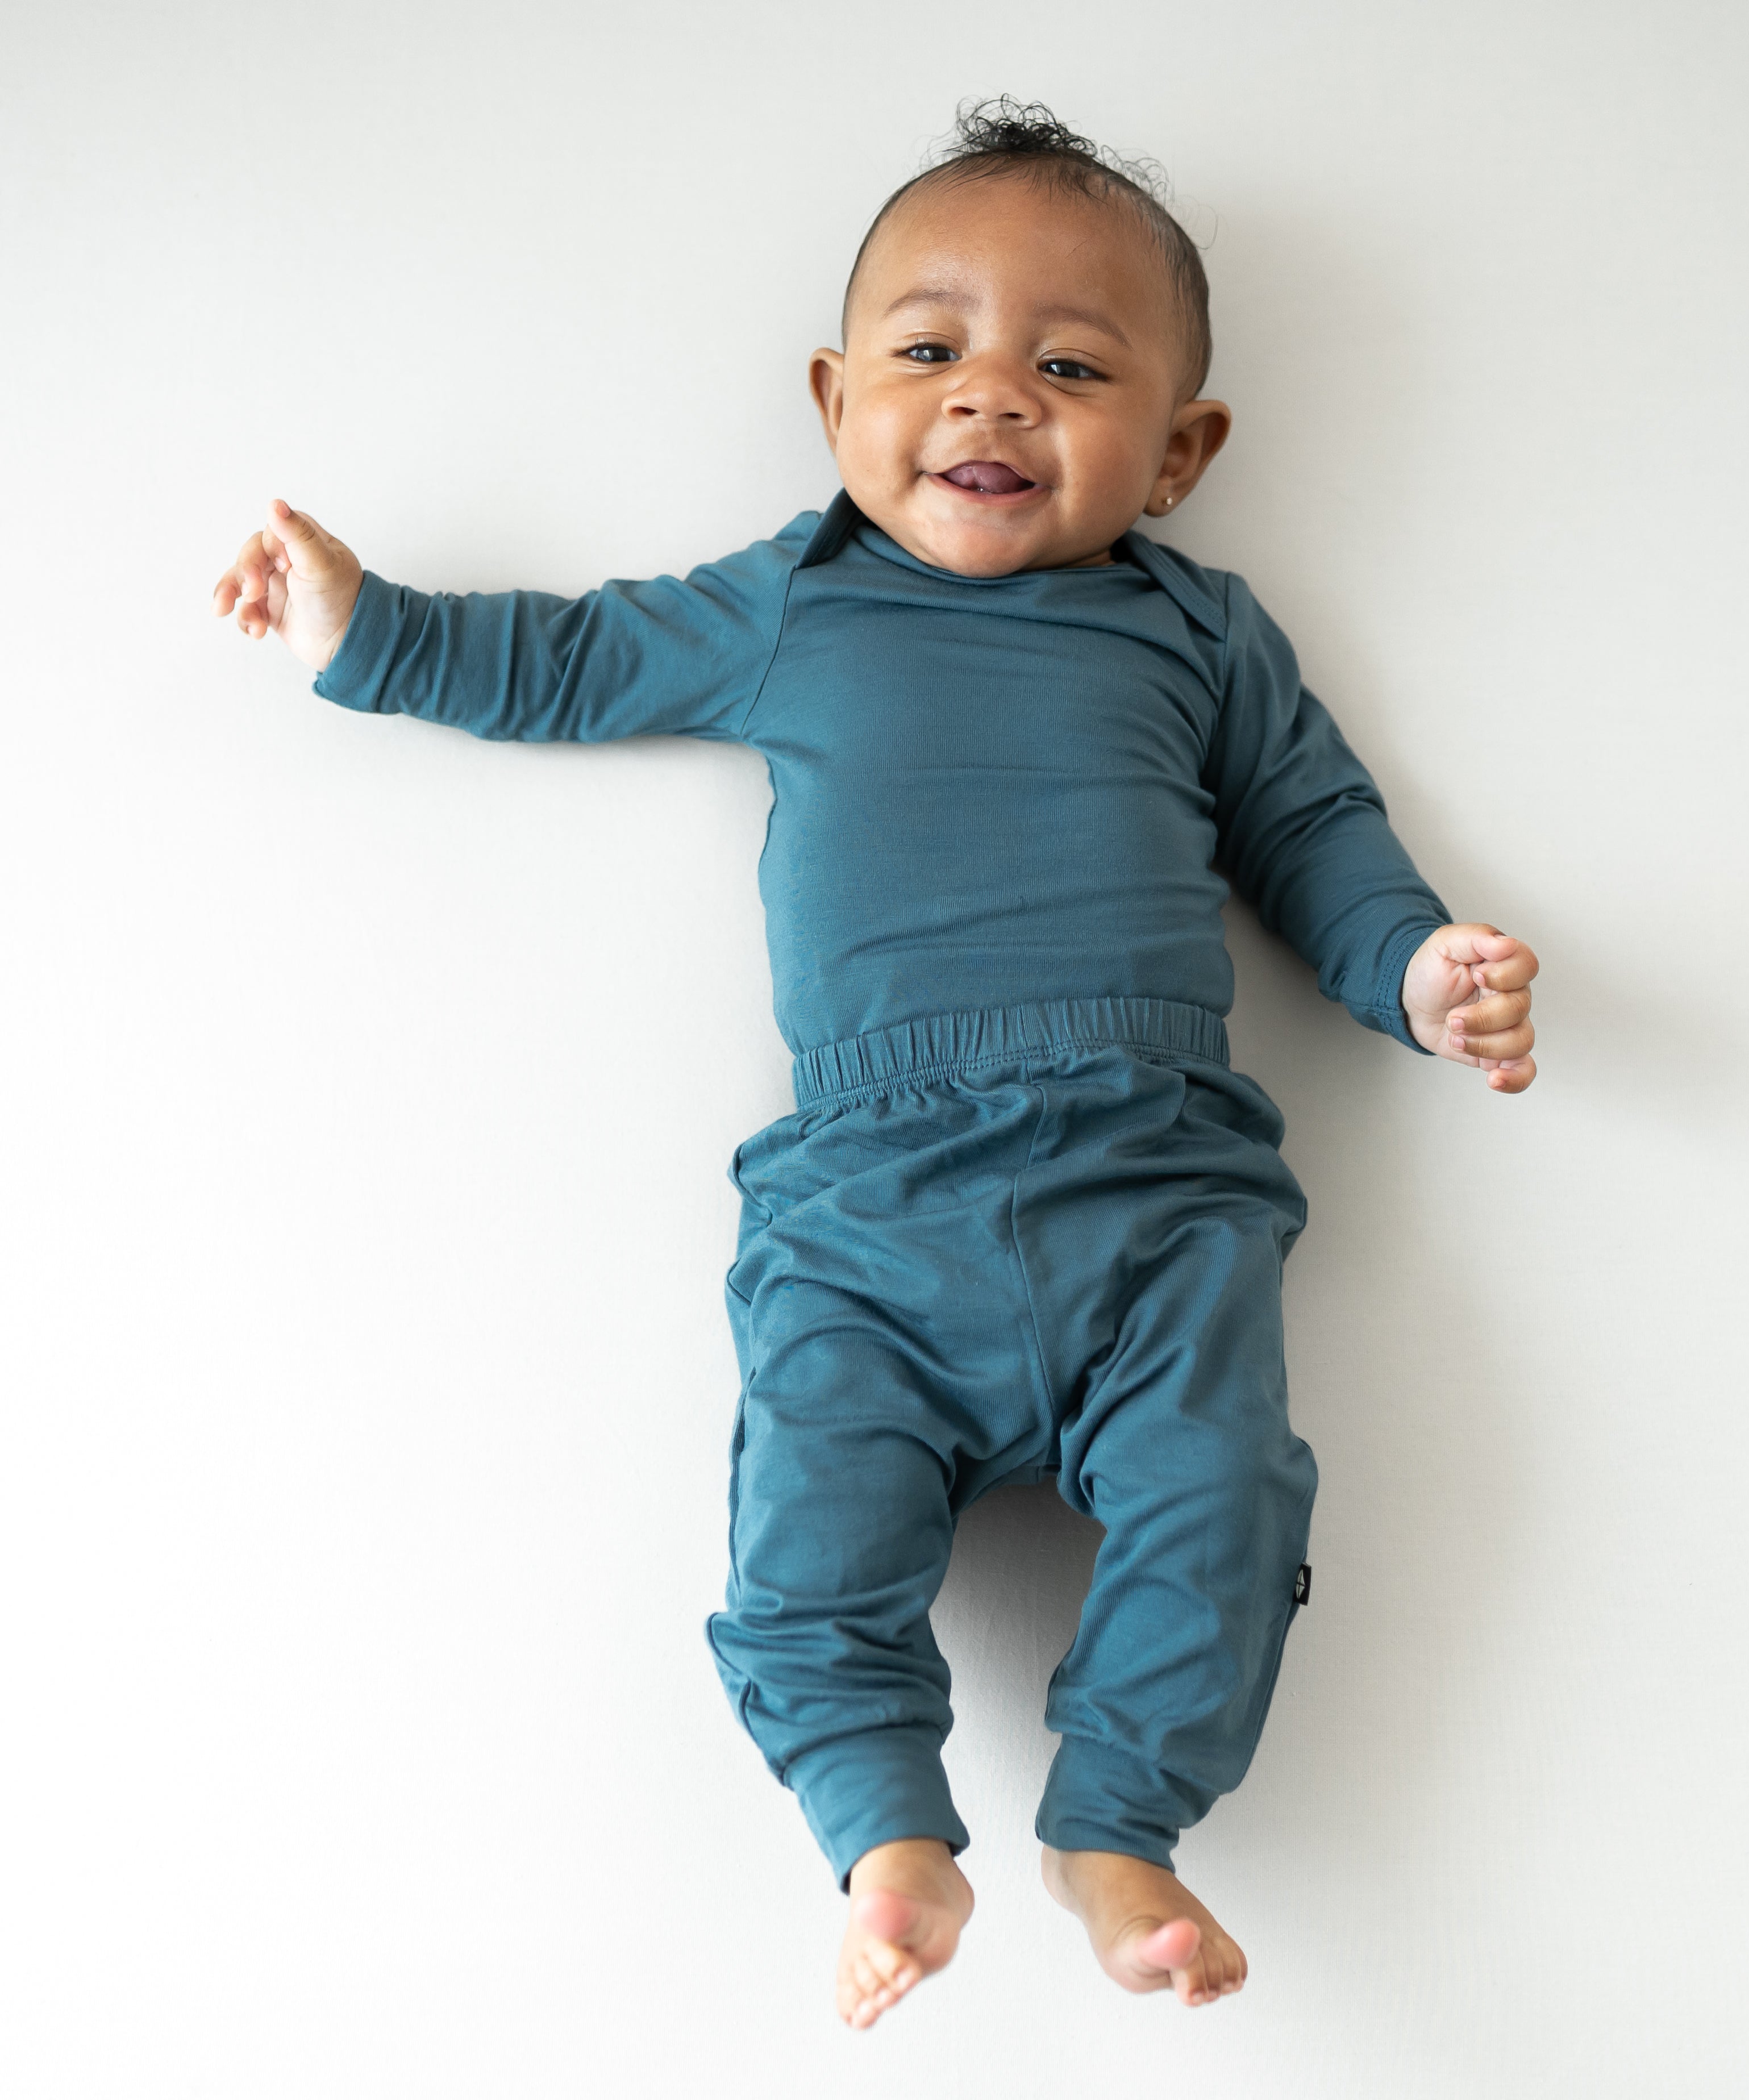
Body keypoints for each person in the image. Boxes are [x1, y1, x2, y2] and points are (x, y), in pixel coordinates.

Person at [211, 98, 1539, 2030]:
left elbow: (1315, 832)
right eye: (931, 353)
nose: (991, 401)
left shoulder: (1201, 632)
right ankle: (885, 1835)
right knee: (807, 1534)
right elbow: (576, 663)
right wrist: (367, 621)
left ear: (1180, 452)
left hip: (1160, 1200)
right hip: (872, 1211)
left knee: (1229, 1495)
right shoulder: (798, 597)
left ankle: (1122, 1828)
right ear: (837, 400)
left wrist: (1420, 971)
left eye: (1068, 369)